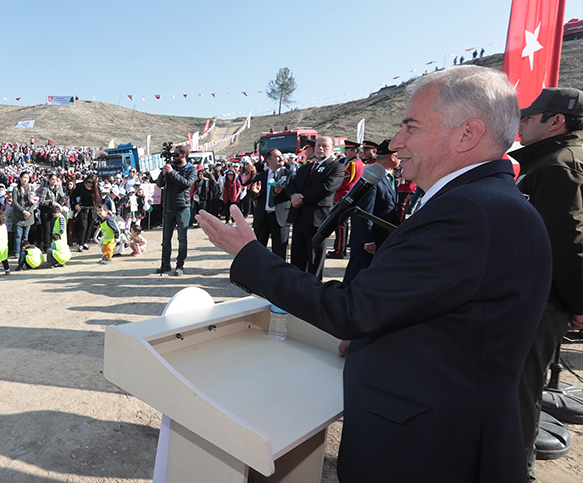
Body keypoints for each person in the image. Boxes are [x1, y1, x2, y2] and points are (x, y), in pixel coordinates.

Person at [196, 65, 553, 483]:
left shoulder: (469, 212)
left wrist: (249, 255)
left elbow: (351, 310)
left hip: (428, 451)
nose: (396, 143)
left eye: (410, 127)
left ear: (467, 134)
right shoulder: (484, 201)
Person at [510, 87, 583, 481]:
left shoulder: (559, 164)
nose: (520, 123)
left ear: (556, 121)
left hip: (540, 301)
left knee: (519, 396)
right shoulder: (555, 159)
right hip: (537, 297)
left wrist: (578, 303)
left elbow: (569, 243)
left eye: (529, 116)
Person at [274, 136, 345, 279]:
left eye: (325, 146)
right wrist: (293, 195)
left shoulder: (336, 167)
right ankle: (297, 286)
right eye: (318, 145)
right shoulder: (305, 167)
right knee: (297, 258)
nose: (320, 148)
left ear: (332, 149)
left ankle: (314, 288)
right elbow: (292, 183)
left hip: (317, 219)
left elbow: (327, 188)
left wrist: (301, 199)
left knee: (314, 259)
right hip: (299, 217)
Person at [341, 140, 400, 286]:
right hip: (368, 240)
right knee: (356, 275)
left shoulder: (388, 177)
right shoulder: (373, 178)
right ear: (393, 157)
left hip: (381, 237)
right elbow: (364, 212)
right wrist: (368, 240)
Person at [155, 145, 197, 276]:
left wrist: (172, 172)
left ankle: (180, 265)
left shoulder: (191, 169)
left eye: (176, 154)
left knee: (182, 239)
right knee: (166, 238)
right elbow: (159, 184)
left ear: (183, 156)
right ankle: (165, 264)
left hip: (183, 208)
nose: (174, 157)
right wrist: (163, 174)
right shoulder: (170, 168)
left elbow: (186, 184)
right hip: (168, 208)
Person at [250, 149, 292, 260]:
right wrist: (255, 193)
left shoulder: (289, 174)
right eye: (277, 156)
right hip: (262, 218)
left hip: (280, 219)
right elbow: (253, 196)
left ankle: (278, 271)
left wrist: (282, 191)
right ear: (269, 160)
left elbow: (292, 194)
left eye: (281, 155)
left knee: (280, 252)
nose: (281, 158)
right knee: (258, 251)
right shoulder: (260, 177)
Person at [328, 140, 365, 259]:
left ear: (354, 151)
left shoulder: (352, 164)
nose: (345, 152)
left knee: (340, 223)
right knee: (341, 223)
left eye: (347, 150)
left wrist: (333, 187)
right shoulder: (355, 162)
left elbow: (345, 181)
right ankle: (340, 249)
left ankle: (339, 250)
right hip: (346, 195)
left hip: (343, 195)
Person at [11, 172, 36, 256]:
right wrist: (23, 211)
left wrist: (29, 212)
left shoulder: (31, 188)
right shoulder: (16, 189)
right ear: (20, 178)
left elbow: (34, 202)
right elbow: (15, 202)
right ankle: (17, 251)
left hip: (29, 216)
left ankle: (24, 251)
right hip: (18, 216)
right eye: (24, 178)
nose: (25, 180)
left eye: (27, 178)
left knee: (25, 236)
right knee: (18, 235)